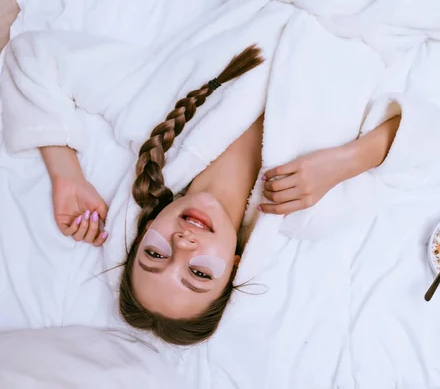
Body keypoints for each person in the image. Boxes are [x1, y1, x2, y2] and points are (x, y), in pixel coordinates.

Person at [3, 31, 401, 344]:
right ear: (233, 269)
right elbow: (430, 146)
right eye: (198, 273)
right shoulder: (309, 209)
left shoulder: (150, 118)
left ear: (141, 232)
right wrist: (347, 161)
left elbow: (31, 55)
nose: (182, 245)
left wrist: (65, 174)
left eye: (155, 253)